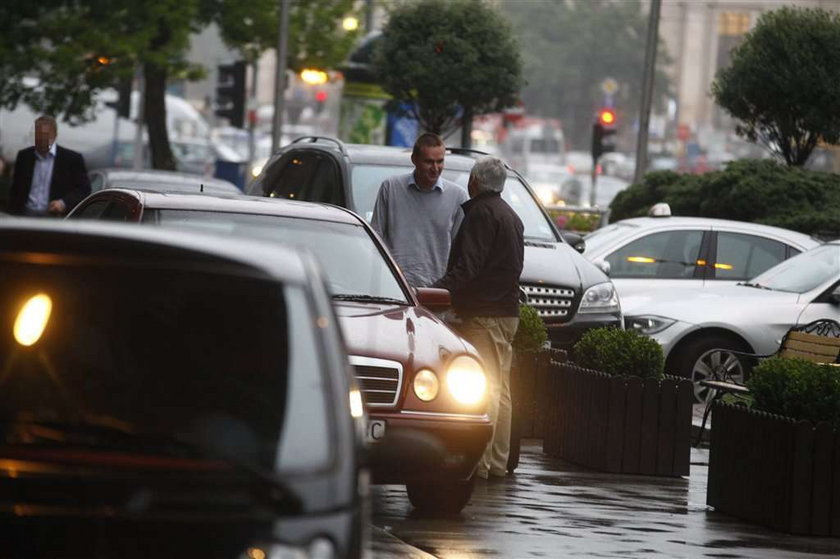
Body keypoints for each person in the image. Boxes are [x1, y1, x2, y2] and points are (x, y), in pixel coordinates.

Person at [434, 156, 524, 480]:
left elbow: (467, 268)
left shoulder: (481, 215)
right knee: (501, 390)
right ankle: (497, 462)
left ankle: (481, 464)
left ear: (474, 181)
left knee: (486, 389)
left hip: (484, 313)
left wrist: (434, 291)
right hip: (507, 311)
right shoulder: (511, 216)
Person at [370, 132, 468, 287]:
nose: (435, 168)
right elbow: (376, 239)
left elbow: (460, 250)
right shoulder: (391, 188)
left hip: (438, 290)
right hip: (395, 288)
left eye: (440, 161)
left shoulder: (458, 197)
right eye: (429, 162)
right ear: (414, 160)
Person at [8, 115, 91, 217]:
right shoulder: (24, 156)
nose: (41, 139)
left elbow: (84, 189)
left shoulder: (72, 159)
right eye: (38, 134)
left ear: (55, 135)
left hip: (54, 218)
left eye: (46, 135)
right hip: (25, 216)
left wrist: (63, 203)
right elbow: (16, 189)